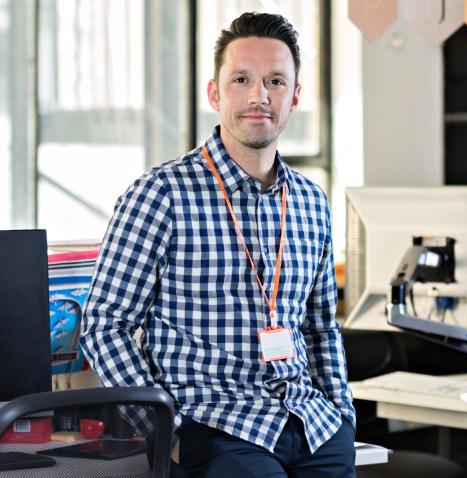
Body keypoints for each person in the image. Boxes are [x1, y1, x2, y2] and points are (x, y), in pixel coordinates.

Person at [80, 11, 356, 478]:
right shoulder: (160, 194)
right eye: (241, 79)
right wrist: (163, 431)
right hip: (215, 426)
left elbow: (320, 326)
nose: (259, 96)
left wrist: (342, 414)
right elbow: (105, 324)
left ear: (294, 98)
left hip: (312, 424)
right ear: (214, 93)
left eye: (275, 81)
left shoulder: (311, 202)